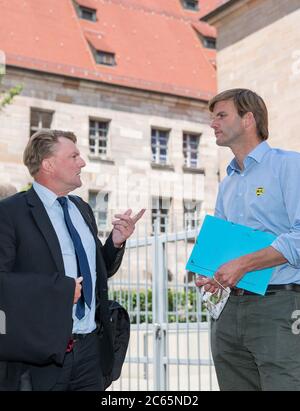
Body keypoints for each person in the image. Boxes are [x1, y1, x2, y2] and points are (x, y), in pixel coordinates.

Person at [0, 129, 145, 391]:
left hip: (90, 350)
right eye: (74, 156)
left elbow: (98, 272)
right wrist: (60, 291)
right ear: (48, 164)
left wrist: (115, 242)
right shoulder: (10, 213)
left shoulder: (82, 208)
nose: (83, 162)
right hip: (41, 358)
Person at [195, 88, 300, 391]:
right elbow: (221, 246)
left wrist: (244, 264)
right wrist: (209, 273)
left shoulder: (289, 166)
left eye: (221, 115)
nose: (213, 123)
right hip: (228, 312)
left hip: (279, 305)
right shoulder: (227, 183)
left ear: (248, 119)